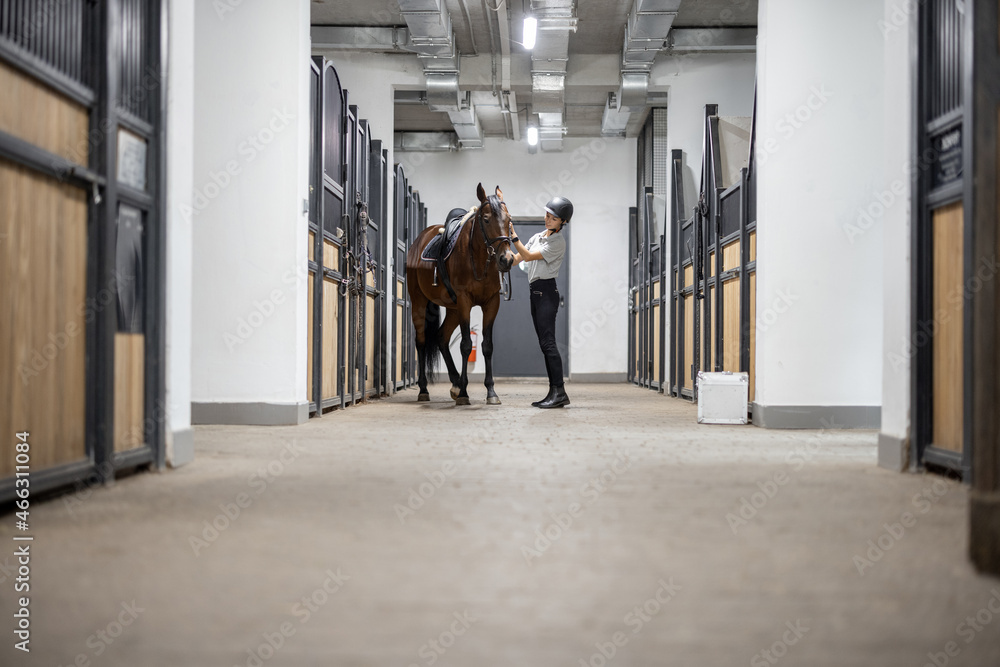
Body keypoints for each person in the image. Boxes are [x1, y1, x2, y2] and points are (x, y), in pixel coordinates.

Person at [508, 196, 573, 408]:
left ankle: (560, 392)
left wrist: (514, 236)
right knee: (544, 345)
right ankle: (553, 392)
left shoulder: (557, 242)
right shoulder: (538, 236)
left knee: (549, 343)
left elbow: (527, 256)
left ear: (562, 221)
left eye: (553, 218)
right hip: (535, 292)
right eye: (546, 215)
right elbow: (518, 258)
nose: (547, 220)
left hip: (546, 293)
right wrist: (502, 253)